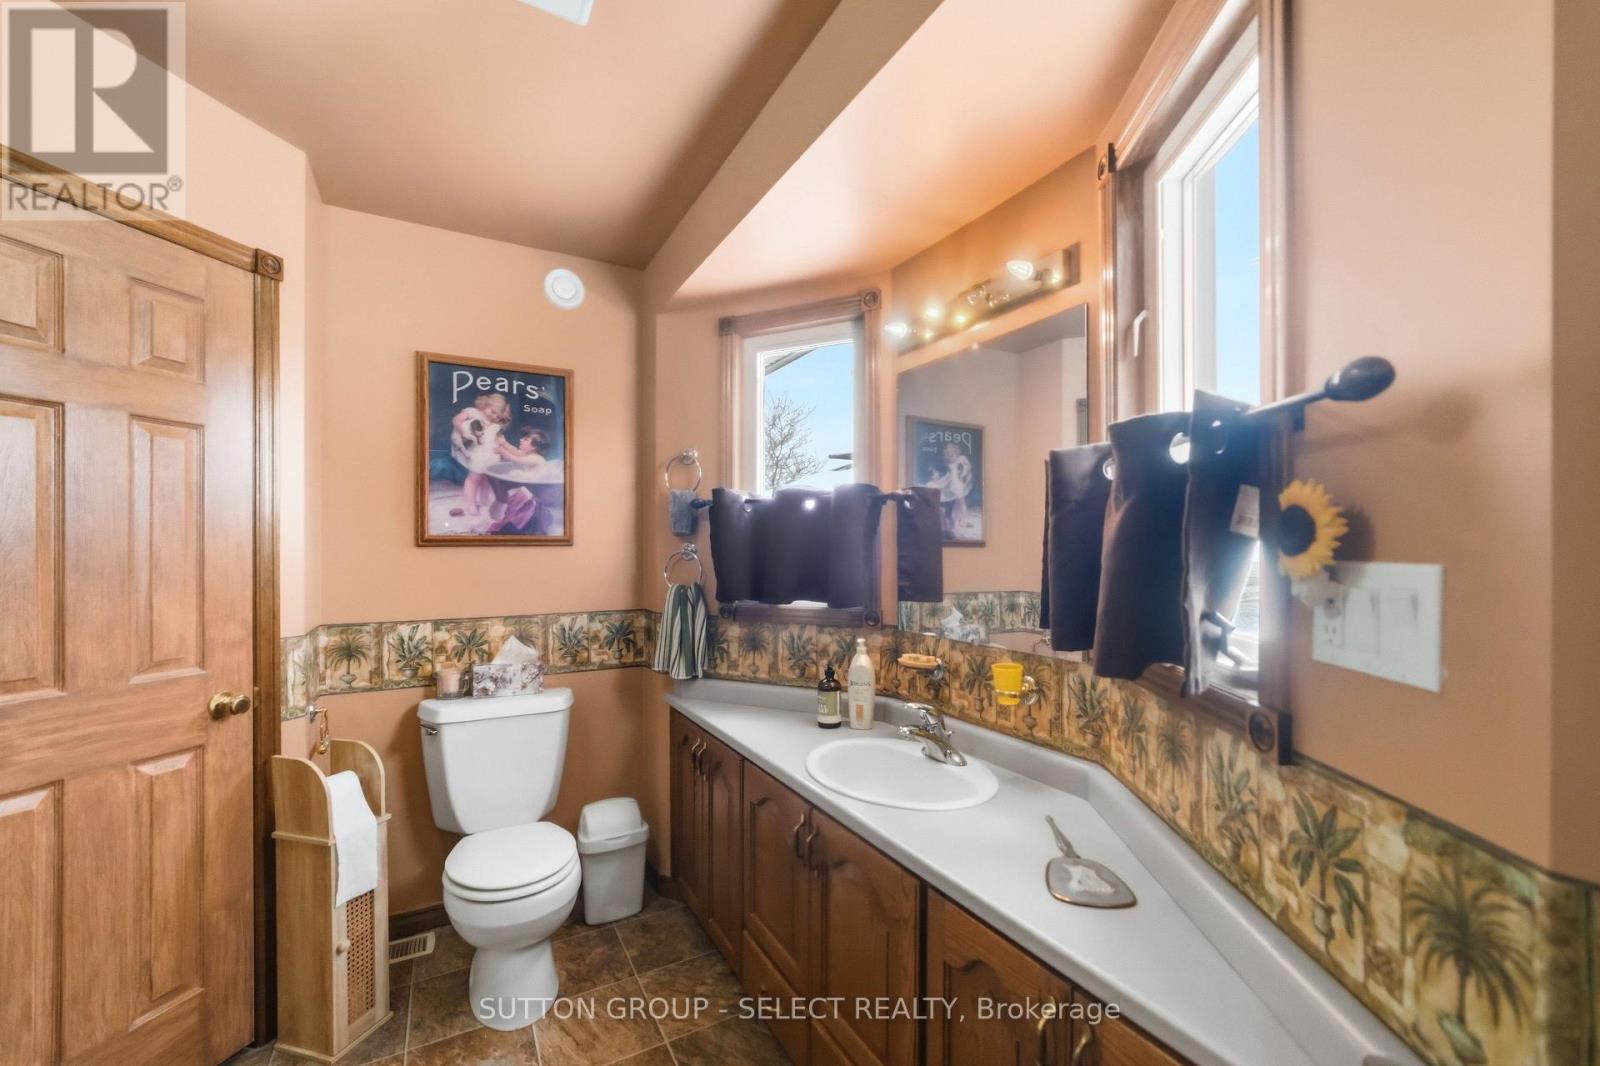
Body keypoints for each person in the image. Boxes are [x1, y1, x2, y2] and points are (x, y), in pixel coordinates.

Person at [451, 393, 511, 515]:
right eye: (492, 411)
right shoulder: (473, 412)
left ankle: (484, 503)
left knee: (486, 480)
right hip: (477, 453)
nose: (494, 416)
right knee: (474, 478)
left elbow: (500, 441)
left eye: (498, 416)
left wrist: (504, 450)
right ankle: (471, 504)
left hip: (490, 456)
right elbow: (456, 420)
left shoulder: (495, 426)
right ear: (486, 404)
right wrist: (463, 432)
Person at [926, 439, 974, 537]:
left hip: (958, 484)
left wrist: (964, 474)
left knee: (960, 503)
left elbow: (968, 466)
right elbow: (949, 476)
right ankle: (959, 521)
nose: (951, 457)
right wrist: (940, 483)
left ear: (956, 452)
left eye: (952, 454)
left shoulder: (961, 458)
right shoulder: (951, 464)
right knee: (959, 504)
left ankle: (961, 520)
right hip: (954, 485)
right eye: (949, 455)